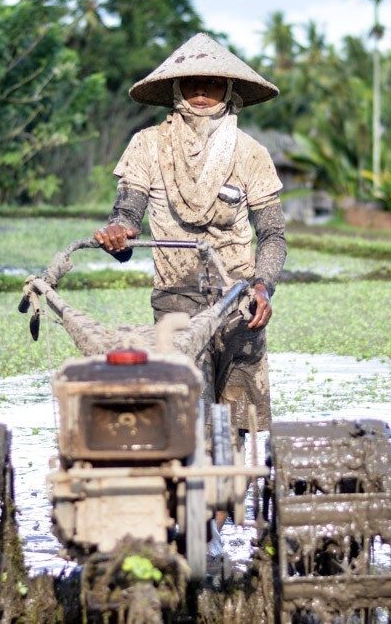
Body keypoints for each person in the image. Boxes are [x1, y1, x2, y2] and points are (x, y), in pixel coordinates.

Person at [93, 32, 287, 436]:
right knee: (183, 413)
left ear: (229, 90)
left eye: (212, 82)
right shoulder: (147, 146)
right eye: (192, 82)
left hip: (239, 300)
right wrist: (119, 235)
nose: (201, 91)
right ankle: (188, 491)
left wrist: (263, 286)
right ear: (176, 89)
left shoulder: (250, 153)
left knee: (239, 420)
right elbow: (127, 215)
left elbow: (271, 234)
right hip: (175, 299)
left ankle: (232, 493)